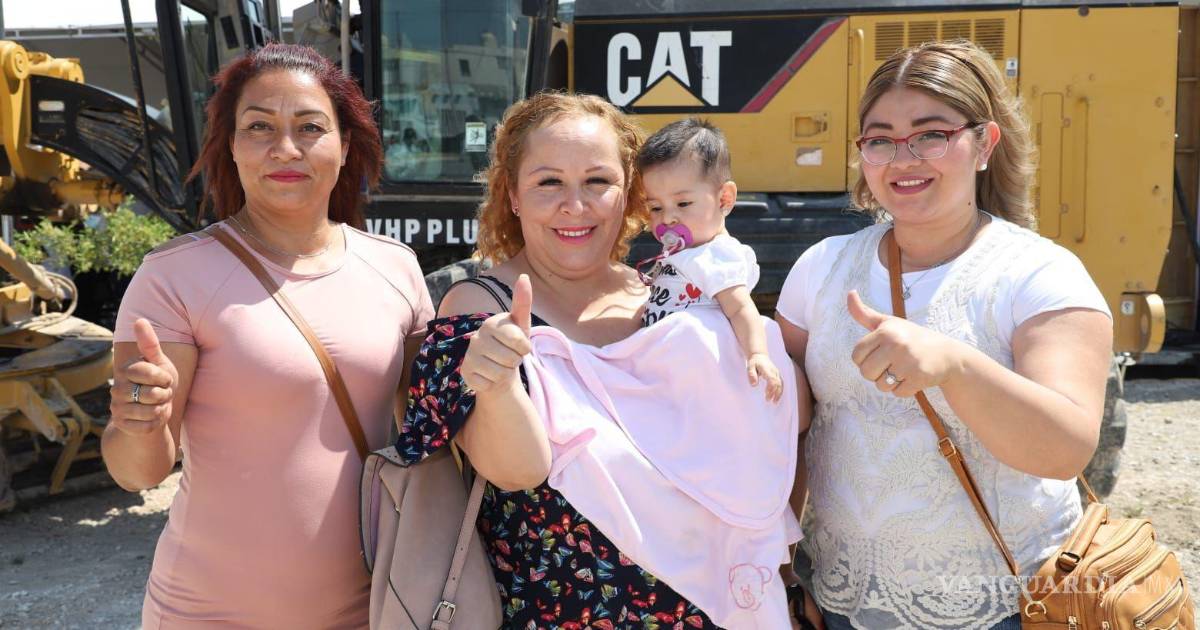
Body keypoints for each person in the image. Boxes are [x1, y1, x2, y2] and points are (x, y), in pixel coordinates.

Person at [775, 40, 1113, 630]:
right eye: (880, 139)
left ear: (984, 144)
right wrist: (780, 570)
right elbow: (784, 432)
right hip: (839, 600)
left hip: (1001, 607)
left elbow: (1065, 452)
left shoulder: (1040, 274)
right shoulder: (820, 268)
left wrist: (956, 365)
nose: (902, 158)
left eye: (931, 135)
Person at [103, 43, 432, 629]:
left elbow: (424, 440)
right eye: (259, 127)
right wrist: (137, 420)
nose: (285, 148)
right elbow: (138, 473)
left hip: (373, 610)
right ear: (231, 145)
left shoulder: (396, 267)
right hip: (208, 614)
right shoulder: (174, 276)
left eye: (310, 127)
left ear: (345, 145)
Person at [398, 91, 741, 627]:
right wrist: (497, 384)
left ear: (630, 193)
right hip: (558, 613)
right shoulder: (479, 309)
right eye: (549, 182)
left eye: (598, 181)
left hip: (702, 607)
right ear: (513, 195)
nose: (575, 206)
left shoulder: (668, 297)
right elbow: (515, 472)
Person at [638, 118, 783, 402]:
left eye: (683, 204)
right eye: (655, 207)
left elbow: (740, 308)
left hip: (695, 374)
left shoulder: (716, 255)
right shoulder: (683, 252)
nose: (668, 218)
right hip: (665, 364)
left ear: (724, 199)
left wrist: (757, 354)